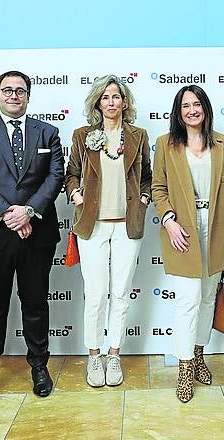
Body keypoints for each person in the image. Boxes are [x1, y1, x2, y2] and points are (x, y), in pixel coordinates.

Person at [0, 70, 64, 405]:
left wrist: (29, 211)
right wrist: (9, 213)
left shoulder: (48, 132)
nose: (14, 95)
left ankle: (39, 367)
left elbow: (55, 175)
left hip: (37, 233)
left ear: (28, 95)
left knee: (35, 304)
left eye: (20, 91)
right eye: (8, 90)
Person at [151, 85, 224, 403]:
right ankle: (185, 368)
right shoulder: (165, 144)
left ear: (205, 108)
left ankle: (199, 354)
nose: (192, 110)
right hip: (182, 230)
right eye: (185, 105)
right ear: (178, 111)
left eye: (197, 104)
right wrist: (169, 220)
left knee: (205, 300)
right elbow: (158, 188)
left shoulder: (221, 143)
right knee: (187, 301)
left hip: (216, 230)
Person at [65, 75, 152, 387]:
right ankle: (94, 355)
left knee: (120, 293)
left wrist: (143, 198)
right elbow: (71, 173)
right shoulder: (82, 135)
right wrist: (75, 193)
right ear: (98, 103)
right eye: (105, 97)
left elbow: (147, 176)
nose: (111, 102)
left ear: (124, 102)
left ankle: (114, 353)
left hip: (128, 226)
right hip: (93, 227)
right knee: (96, 294)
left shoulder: (138, 136)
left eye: (116, 96)